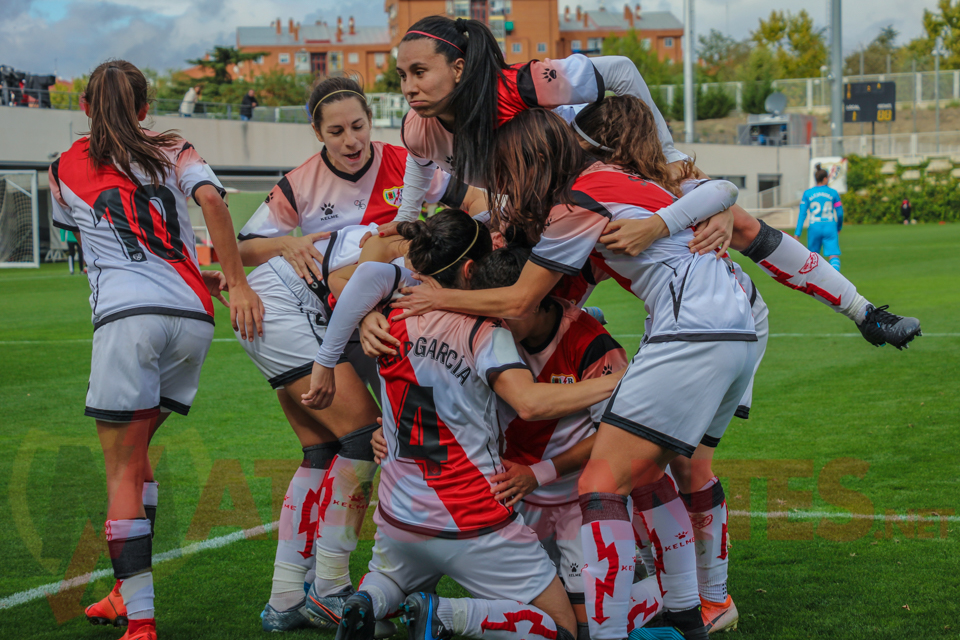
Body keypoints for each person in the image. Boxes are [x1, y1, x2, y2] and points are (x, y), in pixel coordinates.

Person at [391, 106, 759, 640]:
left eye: (506, 169)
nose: (502, 184)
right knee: (661, 472)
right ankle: (690, 610)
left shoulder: (574, 212)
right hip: (725, 325)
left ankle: (680, 610)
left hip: (693, 331)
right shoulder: (587, 196)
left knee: (607, 485)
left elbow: (520, 302)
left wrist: (433, 298)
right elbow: (716, 190)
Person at [379, 15, 920, 351]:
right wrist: (406, 215)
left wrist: (667, 158)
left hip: (588, 174)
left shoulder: (520, 84)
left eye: (418, 72)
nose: (407, 86)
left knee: (735, 219)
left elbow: (618, 68)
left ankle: (864, 312)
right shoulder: (418, 124)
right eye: (401, 76)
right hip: (541, 206)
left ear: (459, 66)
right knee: (524, 300)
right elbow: (420, 160)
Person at [303, 209, 646, 640]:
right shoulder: (487, 329)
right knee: (564, 629)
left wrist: (335, 353)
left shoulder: (391, 317)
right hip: (472, 517)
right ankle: (445, 615)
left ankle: (371, 601)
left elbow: (367, 273)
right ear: (472, 270)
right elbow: (530, 403)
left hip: (398, 513)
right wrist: (626, 380)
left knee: (391, 578)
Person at [234, 76, 478, 632]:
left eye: (359, 127)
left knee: (323, 450)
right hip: (296, 309)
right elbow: (274, 253)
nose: (351, 140)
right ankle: (333, 586)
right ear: (317, 132)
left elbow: (474, 200)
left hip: (328, 307)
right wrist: (292, 247)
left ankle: (286, 596)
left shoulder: (409, 165)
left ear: (373, 122)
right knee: (364, 439)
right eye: (337, 131)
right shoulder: (319, 193)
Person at [49, 60, 262, 640]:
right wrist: (236, 282)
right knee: (137, 449)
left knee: (120, 468)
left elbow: (86, 228)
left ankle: (140, 622)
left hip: (127, 318)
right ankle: (123, 592)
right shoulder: (172, 145)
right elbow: (212, 203)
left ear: (87, 108)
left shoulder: (63, 164)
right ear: (144, 108)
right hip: (193, 317)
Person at [795, 164, 843, 271]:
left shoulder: (808, 193)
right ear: (825, 179)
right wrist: (838, 227)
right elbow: (839, 213)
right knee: (833, 255)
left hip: (814, 227)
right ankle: (835, 280)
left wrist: (797, 233)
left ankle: (816, 284)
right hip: (830, 226)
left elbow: (802, 213)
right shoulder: (833, 193)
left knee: (813, 257)